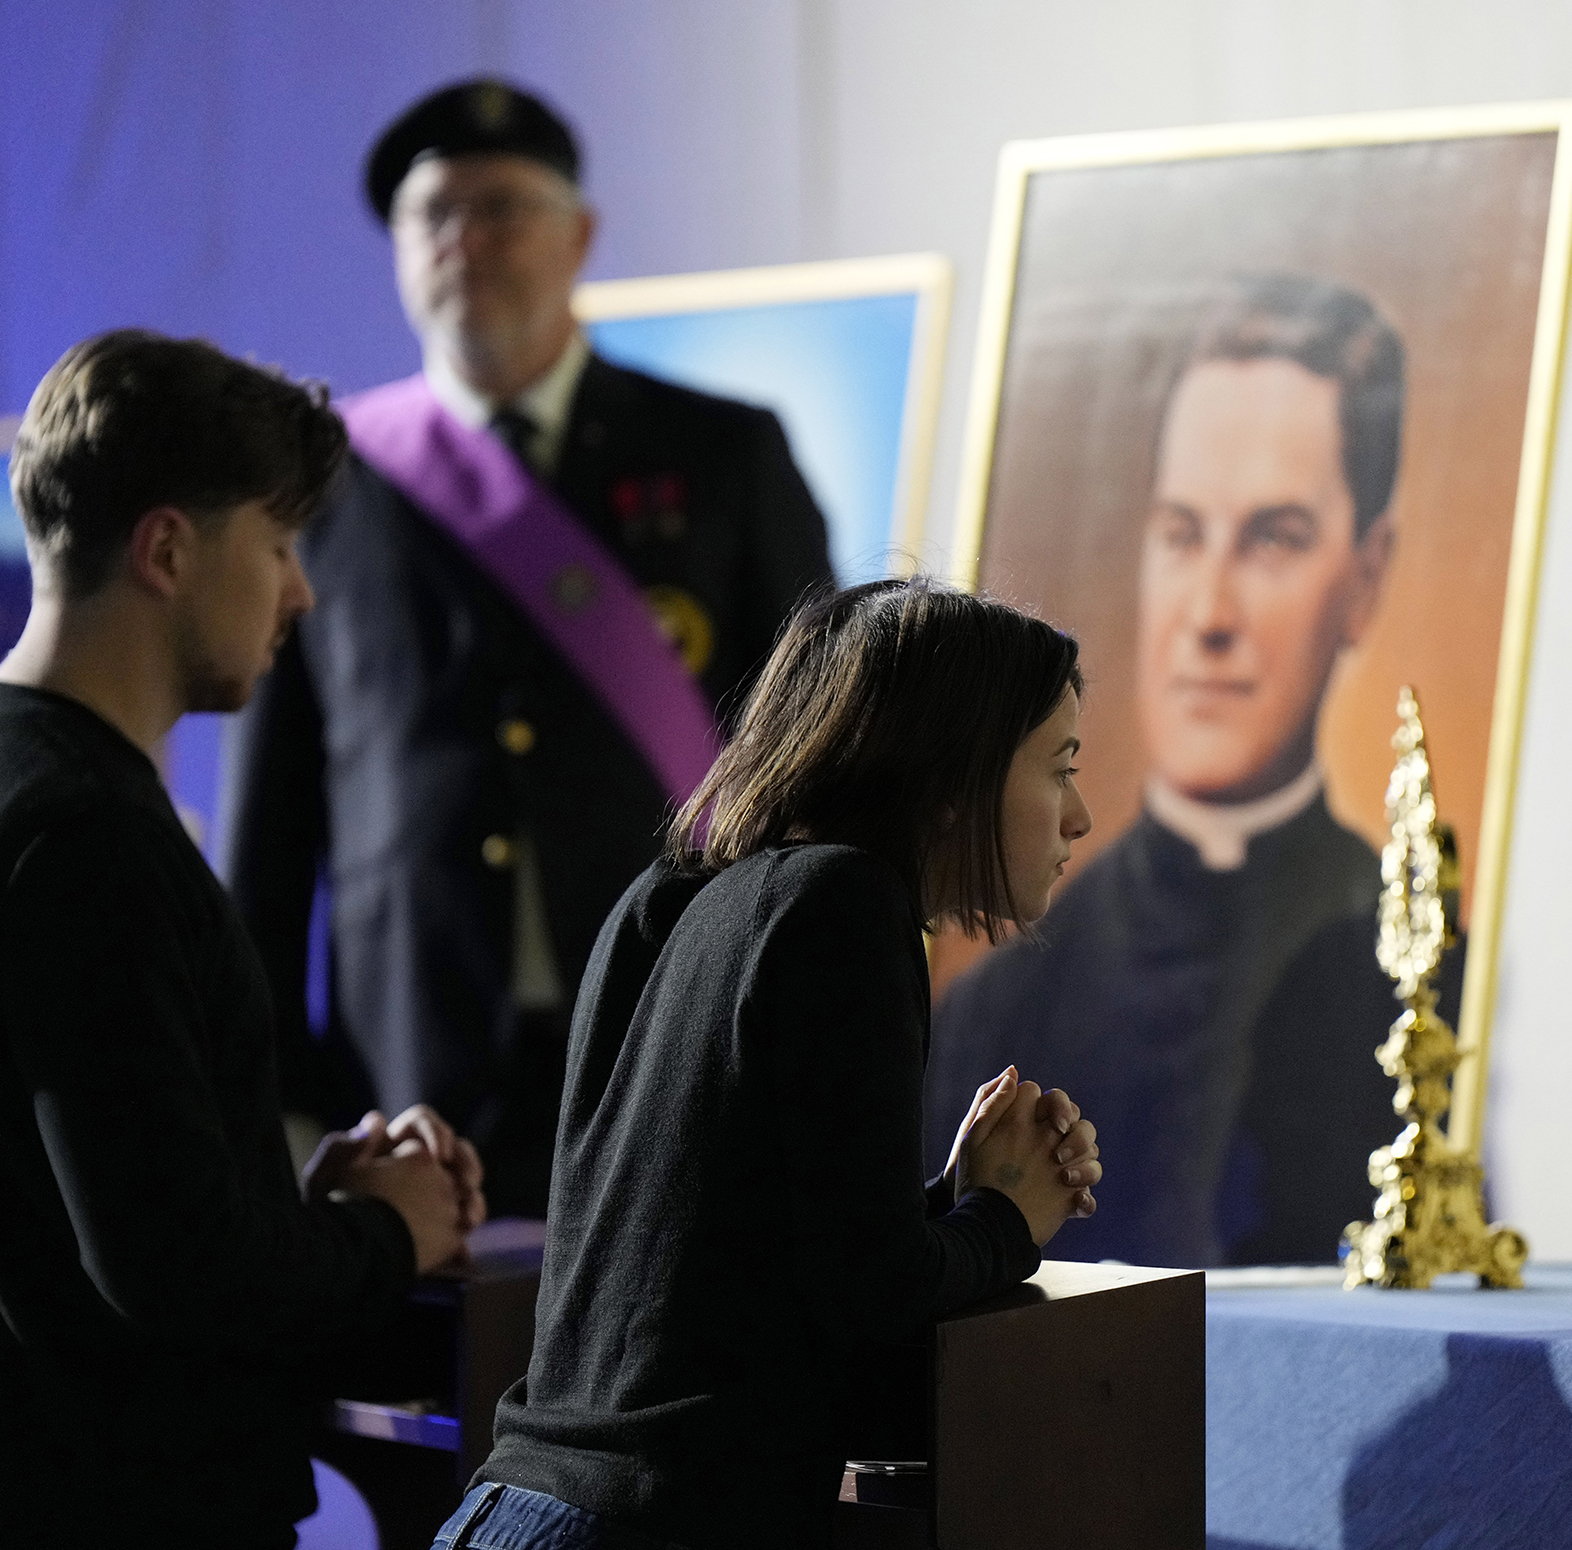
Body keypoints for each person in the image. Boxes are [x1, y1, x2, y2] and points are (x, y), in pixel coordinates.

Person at [219, 79, 833, 1217]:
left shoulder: (722, 454)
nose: (465, 239)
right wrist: (280, 1086)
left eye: (500, 205)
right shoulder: (323, 480)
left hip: (675, 1022)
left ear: (580, 233)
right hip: (406, 1065)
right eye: (433, 214)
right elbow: (271, 818)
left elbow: (818, 758)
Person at [432, 579, 1104, 1549]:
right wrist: (1006, 1220)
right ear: (953, 775)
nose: (1077, 814)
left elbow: (719, 1255)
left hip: (510, 1510)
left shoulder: (669, 898)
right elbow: (871, 1298)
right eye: (1060, 766)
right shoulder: (850, 902)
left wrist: (950, 1200)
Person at [0, 330, 485, 1548]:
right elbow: (175, 1277)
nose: (301, 592)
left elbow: (87, 1197)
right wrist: (393, 1230)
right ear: (167, 548)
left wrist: (295, 1204)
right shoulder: (88, 835)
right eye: (276, 544)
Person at [927, 274, 1461, 1268]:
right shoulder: (993, 1009)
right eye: (1181, 534)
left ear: (1366, 575)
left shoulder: (1418, 962)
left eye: (1272, 538)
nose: (1207, 613)